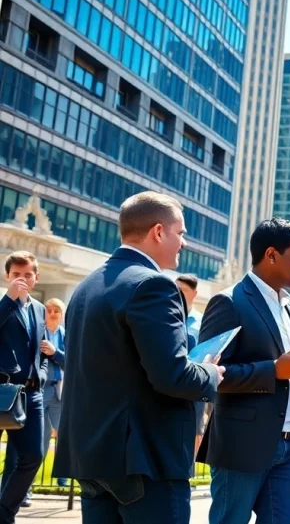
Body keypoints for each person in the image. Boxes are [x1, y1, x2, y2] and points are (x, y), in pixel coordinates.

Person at [54, 192, 223, 524]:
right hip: (144, 460)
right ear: (158, 232)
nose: (184, 243)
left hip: (91, 457)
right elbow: (173, 375)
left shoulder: (86, 287)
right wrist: (211, 373)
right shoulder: (154, 285)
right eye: (181, 233)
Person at [198, 218, 290, 524]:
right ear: (271, 255)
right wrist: (274, 371)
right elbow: (208, 374)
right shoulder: (229, 302)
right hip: (242, 447)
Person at [0, 251, 48, 522]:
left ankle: (4, 512)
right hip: (1, 390)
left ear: (36, 277)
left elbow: (40, 350)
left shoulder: (39, 308)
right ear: (7, 276)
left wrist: (41, 374)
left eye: (28, 274)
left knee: (33, 456)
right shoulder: (2, 302)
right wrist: (8, 299)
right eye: (16, 274)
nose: (22, 279)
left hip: (31, 393)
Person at [175, 274, 205, 459]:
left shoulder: (202, 322)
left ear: (194, 294)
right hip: (172, 384)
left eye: (183, 290)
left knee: (193, 435)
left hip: (194, 386)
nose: (177, 293)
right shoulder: (168, 315)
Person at [40, 298, 68, 487]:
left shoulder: (66, 335)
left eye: (56, 311)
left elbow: (70, 361)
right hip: (40, 390)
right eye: (48, 310)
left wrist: (54, 352)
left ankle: (63, 478)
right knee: (40, 437)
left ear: (61, 314)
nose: (52, 314)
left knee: (64, 435)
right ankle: (26, 486)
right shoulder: (38, 332)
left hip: (59, 389)